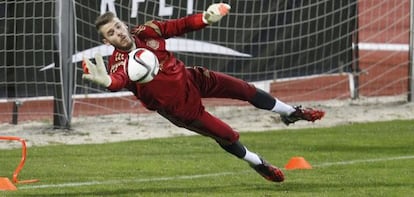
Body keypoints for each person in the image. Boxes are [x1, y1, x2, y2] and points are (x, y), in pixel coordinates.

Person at [82, 3, 324, 183]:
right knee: (228, 135)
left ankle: (291, 112)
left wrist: (205, 18)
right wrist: (107, 82)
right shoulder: (118, 64)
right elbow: (117, 80)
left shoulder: (148, 31)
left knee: (245, 89)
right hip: (180, 109)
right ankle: (258, 163)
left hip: (192, 78)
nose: (119, 33)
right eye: (111, 33)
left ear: (124, 24)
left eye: (118, 26)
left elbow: (182, 25)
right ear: (106, 42)